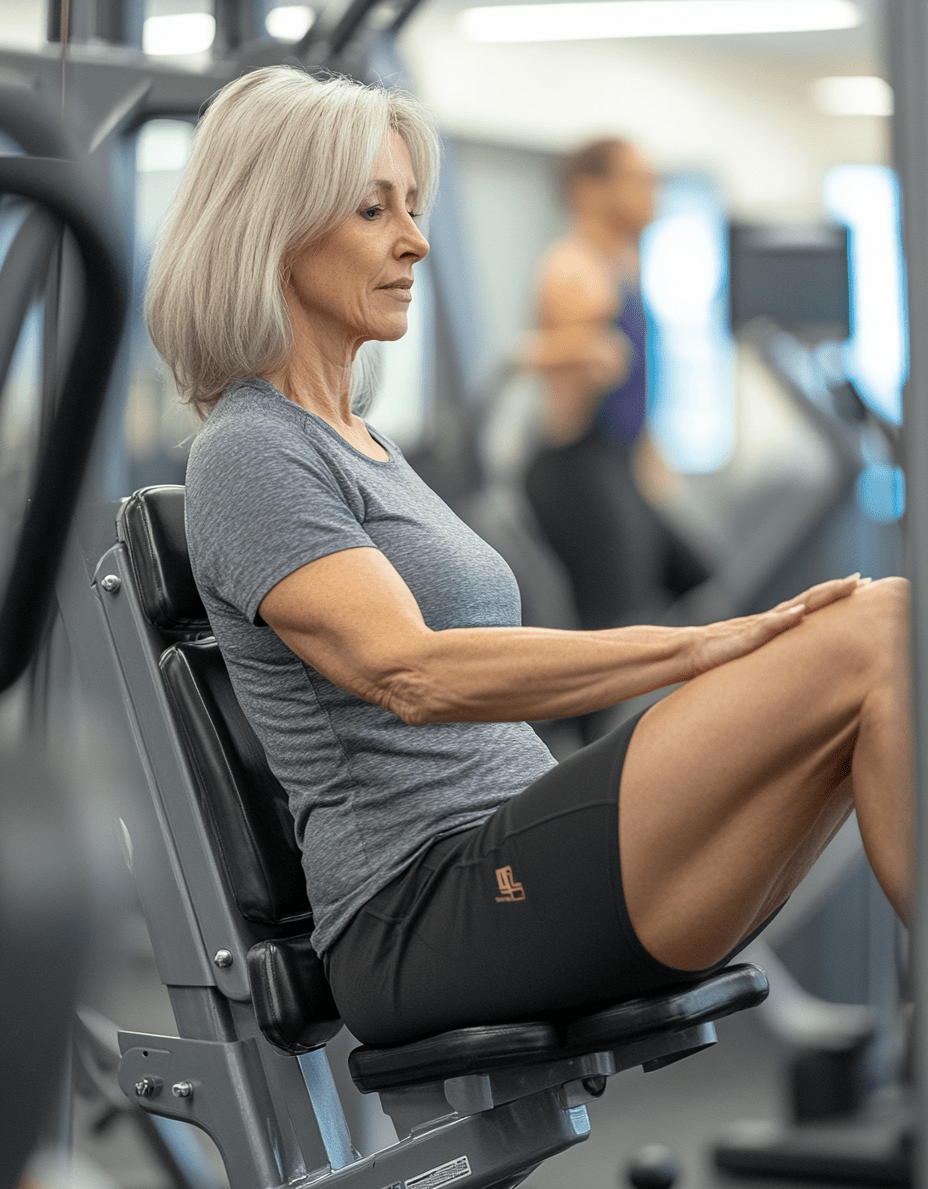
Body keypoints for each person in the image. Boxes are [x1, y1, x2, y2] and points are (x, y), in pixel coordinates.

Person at [147, 67, 913, 1049]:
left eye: (413, 206)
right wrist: (699, 647)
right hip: (425, 905)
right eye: (373, 209)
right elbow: (409, 672)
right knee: (880, 629)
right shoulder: (252, 448)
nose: (414, 239)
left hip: (508, 855)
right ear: (274, 227)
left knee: (884, 640)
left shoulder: (360, 440)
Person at [524, 138, 709, 629]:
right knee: (614, 622)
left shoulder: (623, 265)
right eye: (639, 181)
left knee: (699, 580)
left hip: (616, 462)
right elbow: (531, 356)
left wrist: (648, 458)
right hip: (576, 467)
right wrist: (582, 350)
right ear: (589, 190)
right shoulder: (574, 269)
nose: (654, 194)